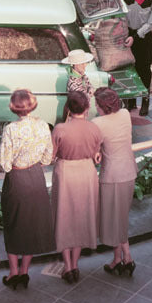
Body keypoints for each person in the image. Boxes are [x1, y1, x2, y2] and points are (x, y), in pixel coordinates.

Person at [0, 88, 55, 290]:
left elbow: (5, 164)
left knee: (13, 225)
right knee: (30, 225)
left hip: (17, 179)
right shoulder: (43, 125)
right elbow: (48, 158)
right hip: (36, 178)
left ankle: (13, 272)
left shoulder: (11, 129)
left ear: (14, 107)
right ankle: (24, 272)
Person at [51, 91, 103, 283]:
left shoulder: (60, 129)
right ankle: (75, 263)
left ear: (68, 108)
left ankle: (68, 266)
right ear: (87, 108)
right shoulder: (95, 128)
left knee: (64, 218)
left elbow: (50, 156)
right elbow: (97, 153)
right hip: (87, 173)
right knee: (82, 217)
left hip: (66, 173)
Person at [93, 87, 137, 276]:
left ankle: (127, 257)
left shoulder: (97, 123)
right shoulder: (126, 114)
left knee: (114, 219)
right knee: (121, 217)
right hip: (129, 171)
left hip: (112, 175)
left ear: (101, 106)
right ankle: (118, 259)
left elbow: (95, 150)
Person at [61, 49, 95, 116]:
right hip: (76, 115)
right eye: (82, 63)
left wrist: (91, 88)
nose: (85, 65)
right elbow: (81, 101)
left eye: (85, 63)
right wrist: (90, 93)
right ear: (75, 65)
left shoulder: (83, 76)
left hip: (83, 112)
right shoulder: (73, 82)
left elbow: (89, 85)